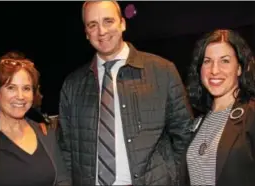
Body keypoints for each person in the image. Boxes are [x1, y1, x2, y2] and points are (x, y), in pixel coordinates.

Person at [58, 1, 193, 185]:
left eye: (108, 21)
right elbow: (66, 149)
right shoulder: (73, 85)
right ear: (86, 33)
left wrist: (173, 177)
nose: (102, 31)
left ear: (122, 23)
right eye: (93, 25)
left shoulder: (162, 71)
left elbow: (183, 133)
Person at [0, 52, 70, 186]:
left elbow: (62, 179)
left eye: (26, 88)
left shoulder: (45, 133)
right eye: (11, 88)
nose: (20, 96)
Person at [180, 29, 255, 186]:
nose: (214, 70)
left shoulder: (251, 115)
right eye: (207, 61)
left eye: (225, 61)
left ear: (240, 68)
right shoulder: (198, 122)